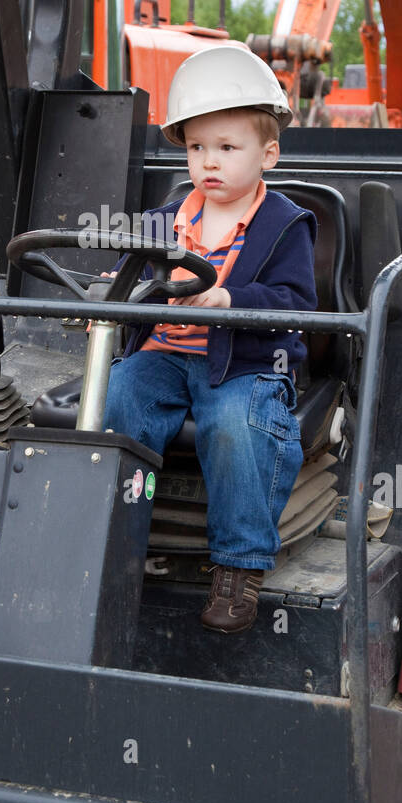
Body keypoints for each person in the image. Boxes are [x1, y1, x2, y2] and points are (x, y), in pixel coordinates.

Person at [102, 44, 318, 634]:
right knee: (121, 397)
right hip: (166, 355)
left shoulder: (284, 226)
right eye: (198, 148)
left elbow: (297, 305)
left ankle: (238, 567)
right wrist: (113, 287)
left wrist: (228, 299)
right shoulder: (164, 219)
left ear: (267, 153)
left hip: (243, 362)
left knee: (233, 425)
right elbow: (131, 275)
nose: (209, 162)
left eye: (227, 147)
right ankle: (112, 544)